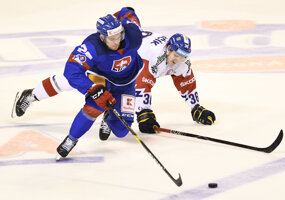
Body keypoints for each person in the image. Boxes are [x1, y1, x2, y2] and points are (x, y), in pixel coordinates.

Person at [12, 12, 215, 142]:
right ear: (168, 48)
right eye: (176, 55)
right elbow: (142, 84)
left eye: (183, 57)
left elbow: (186, 83)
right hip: (108, 64)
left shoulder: (179, 61)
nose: (178, 60)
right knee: (67, 81)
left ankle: (109, 117)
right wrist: (144, 110)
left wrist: (195, 107)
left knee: (121, 117)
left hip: (125, 73)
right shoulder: (153, 58)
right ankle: (32, 95)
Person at [13, 7, 143, 158]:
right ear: (101, 37)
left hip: (127, 83)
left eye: (119, 36)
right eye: (111, 38)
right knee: (72, 87)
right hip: (101, 77)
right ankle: (35, 99)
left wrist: (116, 18)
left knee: (122, 131)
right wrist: (92, 89)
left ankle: (108, 116)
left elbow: (127, 11)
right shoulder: (92, 46)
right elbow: (72, 70)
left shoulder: (133, 33)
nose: (116, 41)